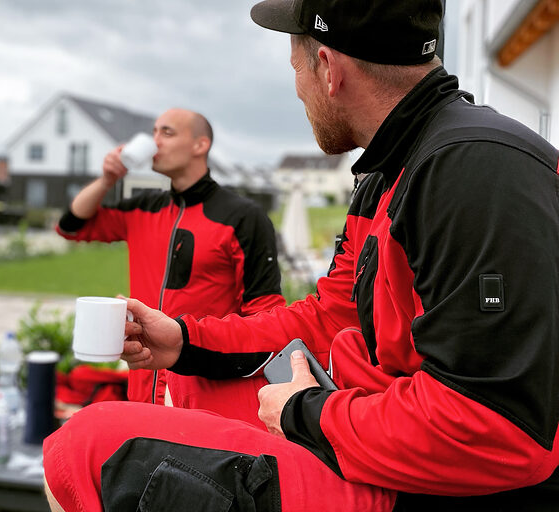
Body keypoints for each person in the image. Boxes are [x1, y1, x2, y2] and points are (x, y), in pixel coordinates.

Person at [43, 0, 559, 510]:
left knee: (83, 448)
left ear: (328, 68)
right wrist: (184, 340)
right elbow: (326, 317)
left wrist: (305, 415)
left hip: (430, 483)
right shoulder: (389, 171)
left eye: (295, 67)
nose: (297, 90)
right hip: (374, 422)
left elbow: (499, 430)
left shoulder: (473, 173)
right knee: (187, 388)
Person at [55, 107, 285, 425]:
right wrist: (108, 179)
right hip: (143, 384)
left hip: (208, 394)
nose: (154, 142)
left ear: (199, 145)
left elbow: (265, 316)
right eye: (153, 133)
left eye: (167, 132)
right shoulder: (144, 207)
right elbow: (71, 226)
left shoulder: (244, 217)